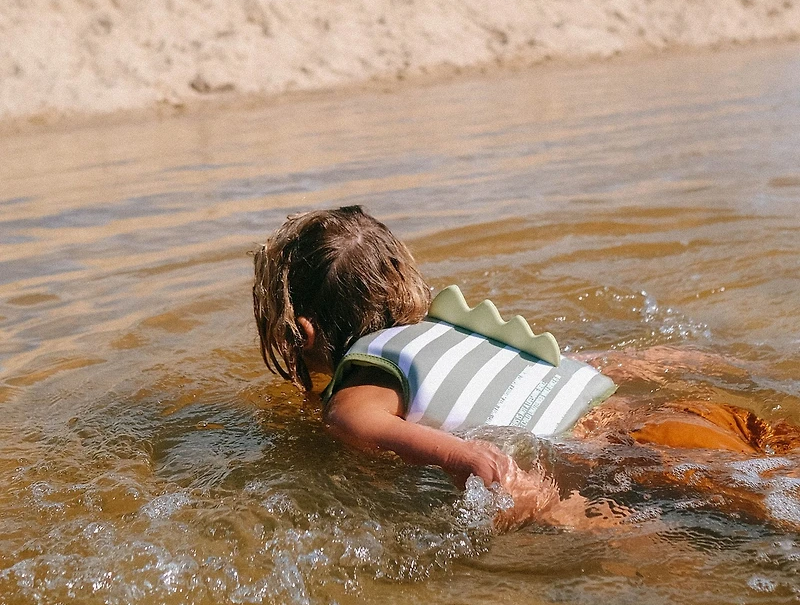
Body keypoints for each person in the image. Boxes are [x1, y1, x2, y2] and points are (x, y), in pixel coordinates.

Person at [252, 205, 800, 529]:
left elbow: (355, 423)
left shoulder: (364, 367)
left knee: (759, 508)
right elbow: (559, 365)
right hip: (657, 413)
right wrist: (658, 357)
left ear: (303, 331)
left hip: (615, 455)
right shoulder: (449, 333)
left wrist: (470, 458)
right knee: (778, 463)